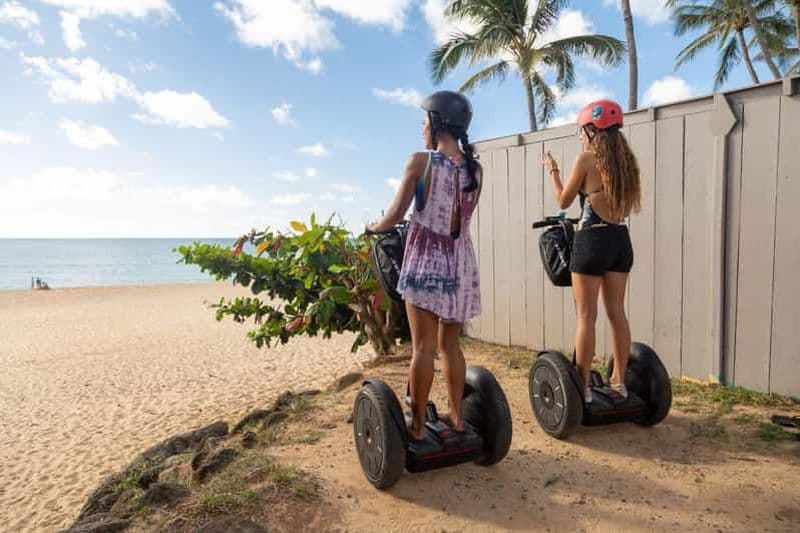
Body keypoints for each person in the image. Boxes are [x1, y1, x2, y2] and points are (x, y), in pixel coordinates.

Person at [366, 91, 482, 441]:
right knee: (451, 347)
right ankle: (456, 417)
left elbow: (393, 217)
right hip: (461, 263)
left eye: (423, 122)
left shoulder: (421, 162)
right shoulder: (474, 169)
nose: (421, 129)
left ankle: (416, 427)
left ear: (435, 122)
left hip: (428, 261)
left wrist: (372, 226)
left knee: (422, 349)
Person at [541, 100, 641, 404]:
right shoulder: (627, 164)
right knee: (617, 314)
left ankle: (582, 387)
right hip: (620, 240)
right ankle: (619, 383)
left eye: (582, 131)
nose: (581, 137)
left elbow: (563, 201)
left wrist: (553, 170)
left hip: (592, 241)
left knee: (586, 316)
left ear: (592, 129)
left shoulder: (587, 159)